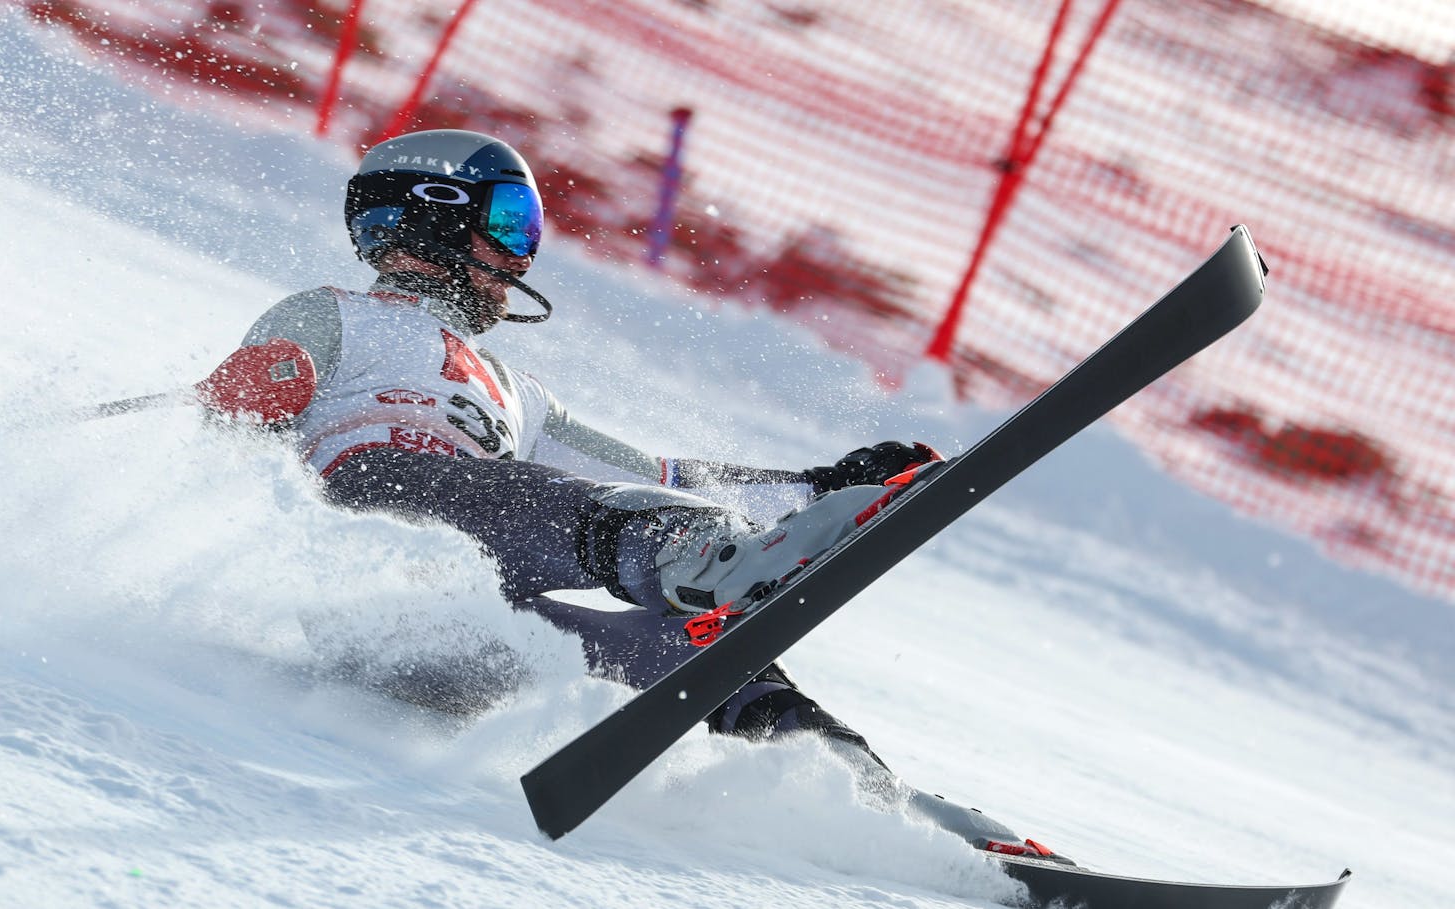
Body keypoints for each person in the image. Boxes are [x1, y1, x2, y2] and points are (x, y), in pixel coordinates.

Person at [197, 128, 1070, 864]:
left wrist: (818, 486)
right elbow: (246, 399)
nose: (520, 254)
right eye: (508, 220)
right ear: (428, 212)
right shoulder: (338, 313)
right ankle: (717, 564)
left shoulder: (515, 390)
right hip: (370, 542)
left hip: (463, 643)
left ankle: (864, 793)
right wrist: (252, 396)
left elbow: (661, 481)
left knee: (704, 642)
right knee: (559, 508)